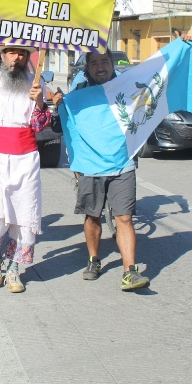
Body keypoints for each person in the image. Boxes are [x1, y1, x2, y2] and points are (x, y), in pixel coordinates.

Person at [53, 50, 150, 291]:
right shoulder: (79, 93)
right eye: (94, 63)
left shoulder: (126, 87)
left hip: (122, 162)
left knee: (124, 217)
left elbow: (154, 88)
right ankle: (94, 259)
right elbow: (63, 126)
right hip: (90, 165)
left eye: (104, 62)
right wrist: (57, 105)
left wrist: (181, 46)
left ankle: (130, 271)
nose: (99, 67)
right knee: (93, 215)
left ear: (111, 64)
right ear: (87, 68)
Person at [0, 45, 52, 293]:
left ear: (27, 57)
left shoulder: (36, 83)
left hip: (25, 159)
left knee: (23, 216)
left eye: (22, 53)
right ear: (2, 55)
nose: (16, 58)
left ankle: (14, 269)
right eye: (12, 53)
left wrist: (40, 103)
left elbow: (39, 125)